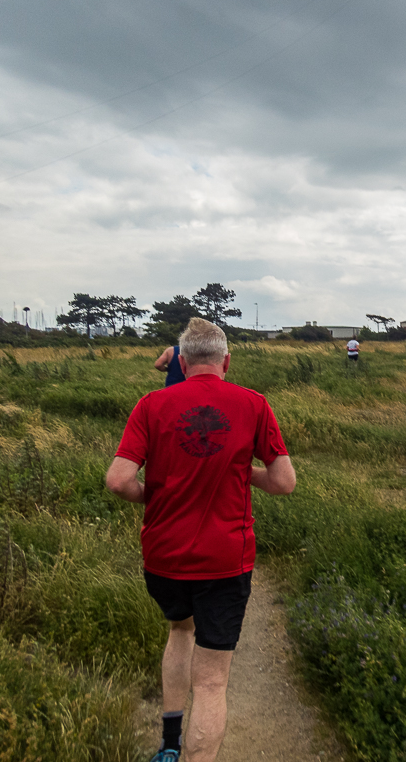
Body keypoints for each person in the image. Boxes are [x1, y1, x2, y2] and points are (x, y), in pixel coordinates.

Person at [106, 318, 296, 762]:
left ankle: (169, 746)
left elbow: (117, 480)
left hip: (164, 556)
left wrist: (153, 496)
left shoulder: (152, 404)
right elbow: (285, 482)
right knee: (211, 682)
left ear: (183, 362)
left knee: (179, 631)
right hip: (226, 560)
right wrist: (244, 472)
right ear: (226, 361)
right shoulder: (254, 404)